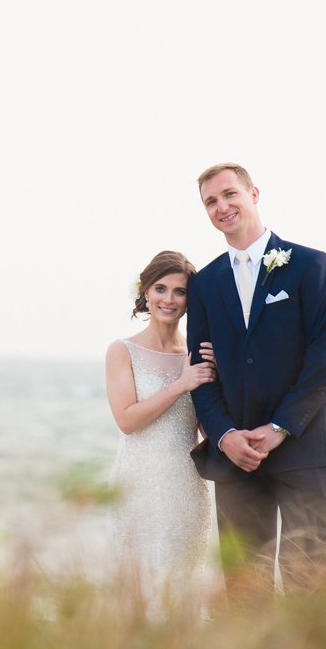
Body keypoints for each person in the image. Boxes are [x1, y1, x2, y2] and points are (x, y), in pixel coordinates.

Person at [185, 163, 326, 594]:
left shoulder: (309, 265)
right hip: (236, 458)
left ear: (254, 194)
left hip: (303, 447)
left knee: (308, 579)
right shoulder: (204, 284)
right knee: (243, 585)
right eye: (211, 202)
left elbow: (325, 359)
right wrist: (223, 436)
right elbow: (200, 372)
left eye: (229, 194)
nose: (222, 207)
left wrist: (279, 429)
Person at [104, 250, 218, 606]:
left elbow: (206, 429)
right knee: (135, 590)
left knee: (181, 587)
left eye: (179, 292)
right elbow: (127, 420)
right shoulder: (122, 351)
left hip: (186, 486)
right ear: (146, 293)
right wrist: (182, 383)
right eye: (160, 288)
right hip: (137, 482)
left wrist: (218, 378)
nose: (169, 299)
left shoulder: (198, 355)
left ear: (189, 300)